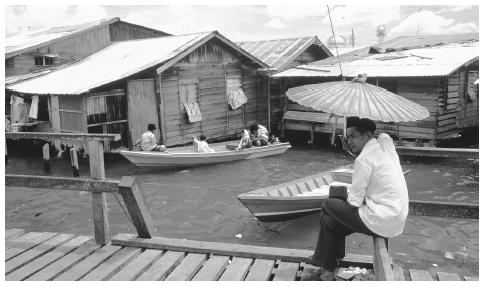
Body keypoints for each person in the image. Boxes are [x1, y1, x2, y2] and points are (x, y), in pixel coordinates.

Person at [307, 117, 408, 281]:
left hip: (381, 219)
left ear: (368, 134)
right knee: (329, 221)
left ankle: (324, 261)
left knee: (328, 204)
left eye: (353, 136)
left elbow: (354, 202)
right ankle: (328, 266)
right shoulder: (386, 145)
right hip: (396, 216)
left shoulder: (364, 160)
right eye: (347, 137)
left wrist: (343, 196)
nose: (349, 141)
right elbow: (383, 136)